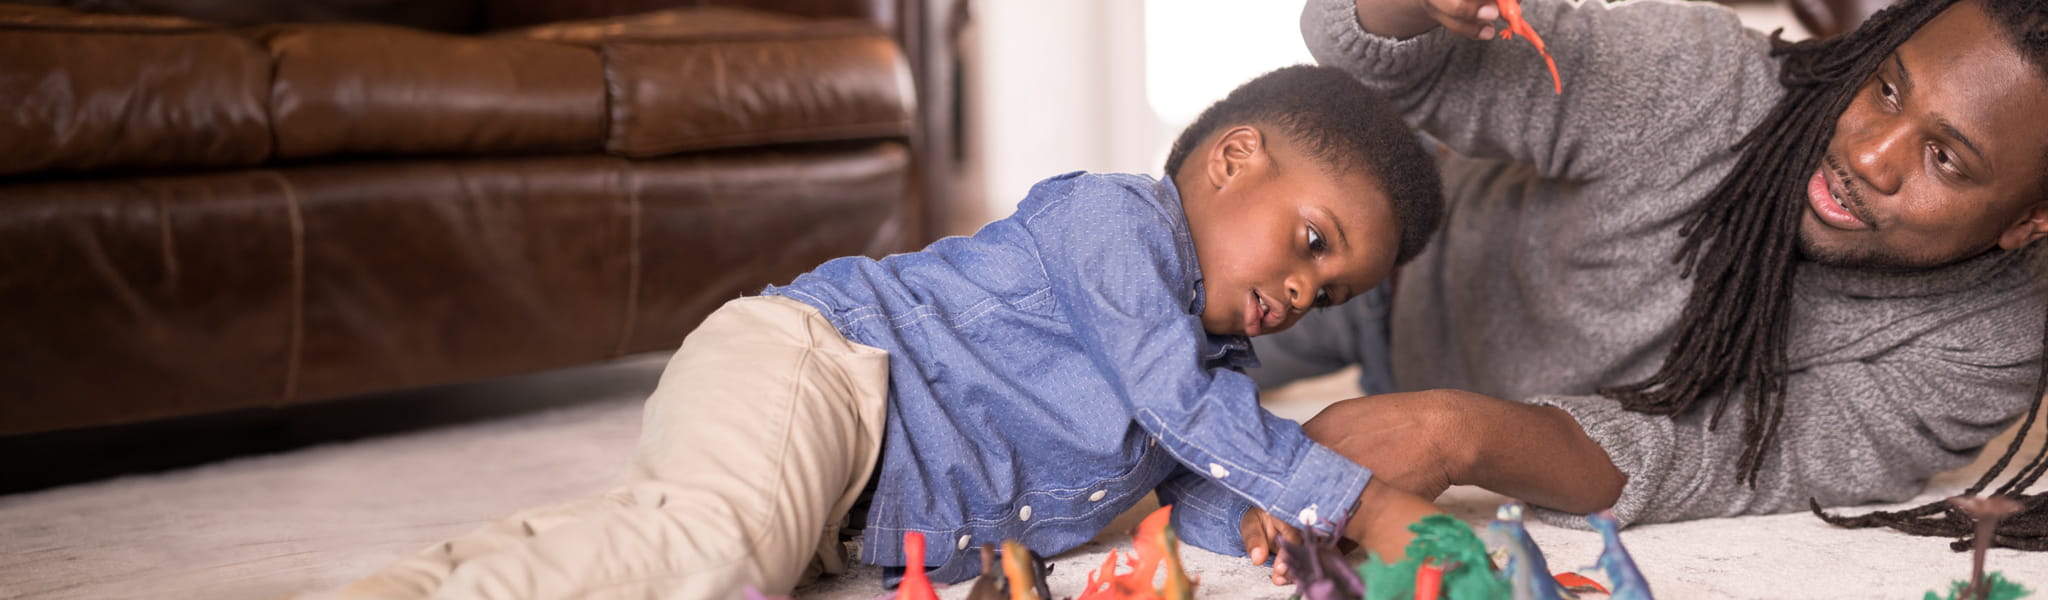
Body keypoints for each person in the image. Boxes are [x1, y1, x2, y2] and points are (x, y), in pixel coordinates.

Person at [335, 64, 1449, 600]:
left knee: (682, 540)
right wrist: (1365, 499)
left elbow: (1184, 472)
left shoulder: (1203, 371)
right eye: (1310, 242)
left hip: (845, 495)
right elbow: (1180, 405)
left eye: (1332, 293)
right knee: (722, 559)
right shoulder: (1115, 223)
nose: (1305, 293)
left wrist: (1268, 521)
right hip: (819, 368)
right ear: (1232, 158)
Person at [1250, 0, 2048, 549]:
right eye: (1886, 87)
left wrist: (1460, 433)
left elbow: (1713, 462)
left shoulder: (1993, 344)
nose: (1871, 155)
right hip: (1382, 257)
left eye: (1944, 157)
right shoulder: (1702, 79)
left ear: (2030, 222)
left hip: (1440, 402)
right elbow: (1387, 62)